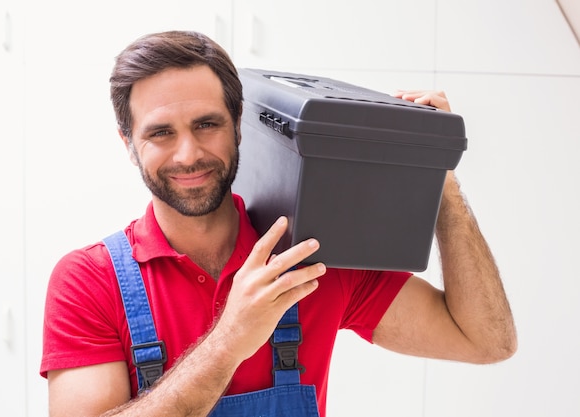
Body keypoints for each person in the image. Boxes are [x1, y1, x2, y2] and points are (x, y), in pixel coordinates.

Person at [41, 30, 517, 417]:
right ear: (128, 143)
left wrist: (440, 174)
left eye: (207, 124)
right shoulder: (89, 281)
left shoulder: (310, 257)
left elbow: (485, 340)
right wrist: (230, 340)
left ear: (239, 124)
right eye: (161, 133)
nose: (188, 155)